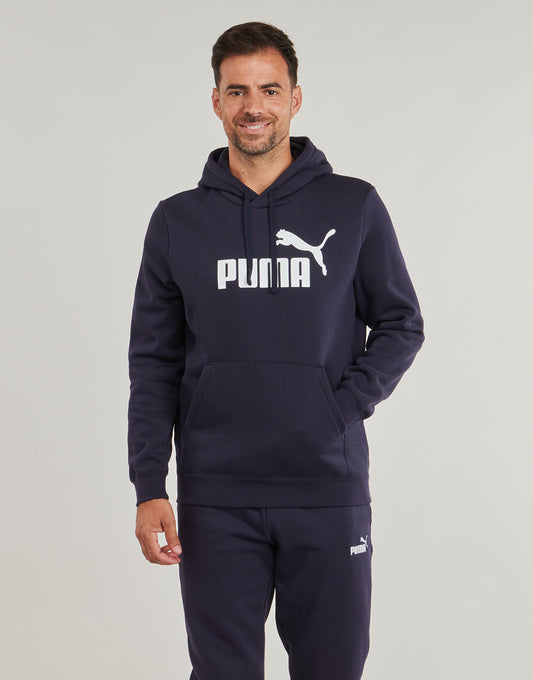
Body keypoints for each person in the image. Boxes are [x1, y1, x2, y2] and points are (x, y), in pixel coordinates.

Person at [128, 21, 424, 680]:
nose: (253, 106)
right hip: (215, 496)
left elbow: (401, 323)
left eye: (268, 89)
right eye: (237, 91)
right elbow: (153, 363)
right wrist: (149, 486)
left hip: (326, 488)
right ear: (216, 101)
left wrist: (336, 409)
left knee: (333, 669)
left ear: (295, 98)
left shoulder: (352, 206)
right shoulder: (177, 221)